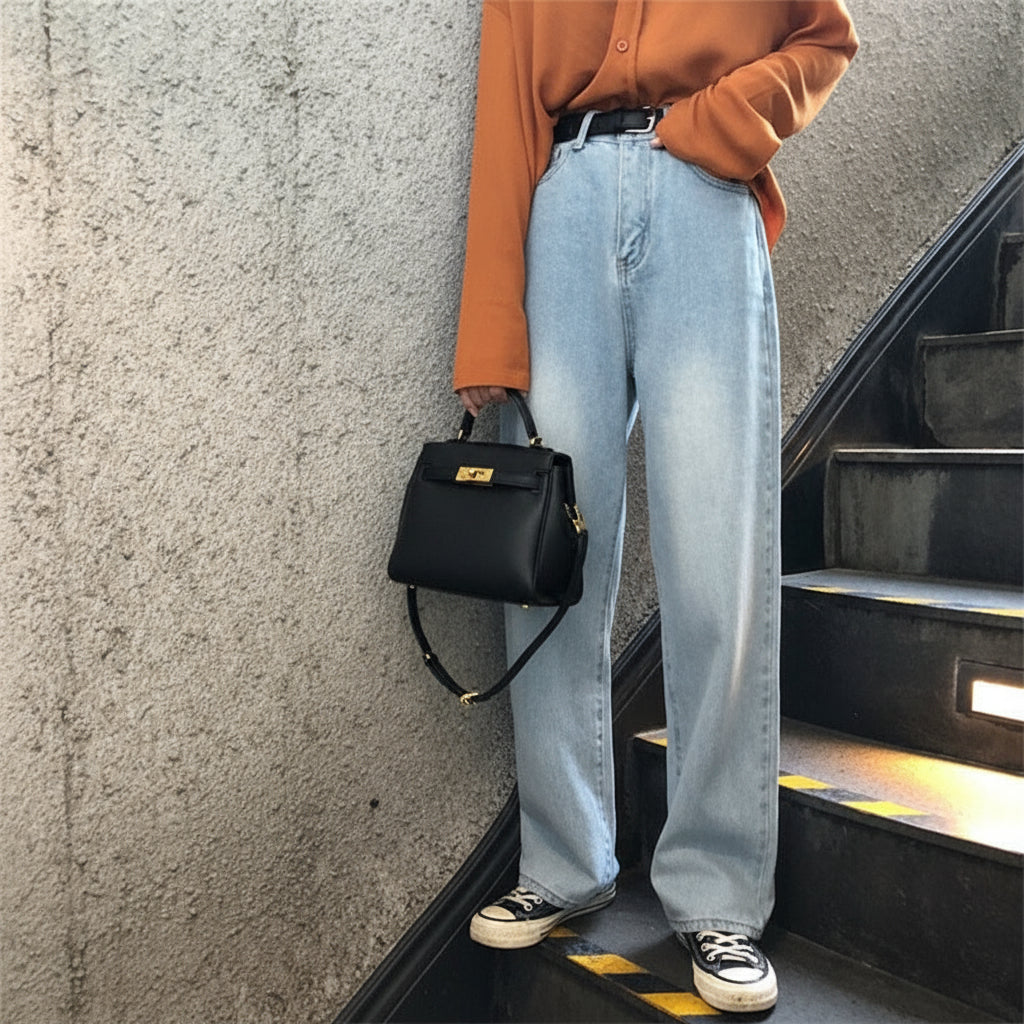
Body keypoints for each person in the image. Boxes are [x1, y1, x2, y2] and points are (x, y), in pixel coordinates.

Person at [453, 1, 857, 1014]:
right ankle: (564, 858)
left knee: (717, 557)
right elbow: (506, 111)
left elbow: (823, 38)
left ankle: (718, 892)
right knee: (548, 561)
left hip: (703, 201)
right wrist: (488, 327)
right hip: (563, 205)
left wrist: (717, 122)